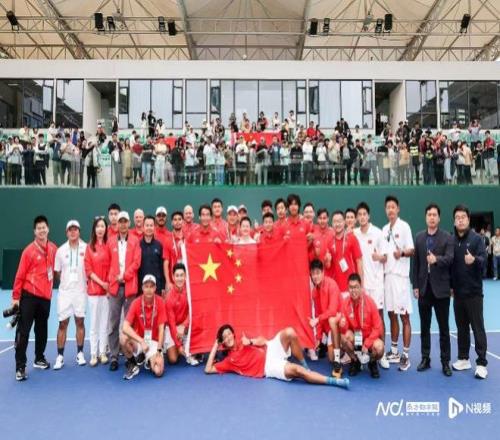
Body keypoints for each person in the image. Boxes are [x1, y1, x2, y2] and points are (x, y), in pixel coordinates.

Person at [205, 325, 349, 388]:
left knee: (290, 332)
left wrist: (250, 341)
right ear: (223, 342)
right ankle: (334, 381)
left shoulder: (243, 339)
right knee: (297, 371)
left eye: (229, 334)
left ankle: (306, 367)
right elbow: (208, 369)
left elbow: (262, 340)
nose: (228, 337)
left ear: (233, 334)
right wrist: (215, 345)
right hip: (268, 367)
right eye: (225, 337)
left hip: (271, 347)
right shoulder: (229, 361)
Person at [12, 215, 57, 381]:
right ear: (35, 231)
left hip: (45, 298)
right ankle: (20, 366)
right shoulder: (28, 251)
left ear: (48, 229)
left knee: (42, 330)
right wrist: (16, 297)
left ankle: (39, 358)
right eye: (39, 228)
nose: (42, 230)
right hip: (29, 297)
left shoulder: (53, 248)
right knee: (23, 332)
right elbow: (20, 275)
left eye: (44, 227)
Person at [412, 204, 454, 376]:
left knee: (444, 328)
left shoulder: (447, 237)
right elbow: (416, 264)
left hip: (441, 290)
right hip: (424, 289)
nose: (431, 217)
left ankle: (445, 362)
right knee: (424, 327)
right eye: (429, 214)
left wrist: (436, 259)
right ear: (425, 217)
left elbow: (450, 259)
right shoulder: (419, 237)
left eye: (434, 215)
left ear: (439, 218)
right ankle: (425, 358)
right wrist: (415, 285)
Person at [451, 205, 488, 379]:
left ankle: (481, 363)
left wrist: (474, 260)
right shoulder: (452, 240)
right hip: (458, 294)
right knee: (462, 328)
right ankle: (464, 358)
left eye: (463, 217)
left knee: (477, 328)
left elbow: (484, 260)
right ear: (454, 221)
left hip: (474, 293)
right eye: (457, 217)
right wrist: (450, 286)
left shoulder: (477, 239)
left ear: (468, 219)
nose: (460, 220)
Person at [354, 202, 389, 369]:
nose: (362, 217)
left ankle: (381, 353)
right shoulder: (354, 234)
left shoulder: (378, 233)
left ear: (368, 216)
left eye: (364, 214)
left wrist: (379, 257)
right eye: (359, 214)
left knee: (379, 318)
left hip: (376, 285)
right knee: (358, 320)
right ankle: (360, 354)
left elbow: (386, 257)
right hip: (360, 286)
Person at [382, 195, 414, 371]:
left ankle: (406, 355)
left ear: (398, 209)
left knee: (404, 316)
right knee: (392, 315)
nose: (390, 210)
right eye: (388, 207)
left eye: (393, 207)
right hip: (388, 278)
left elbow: (412, 250)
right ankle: (394, 351)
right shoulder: (384, 229)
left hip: (400, 279)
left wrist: (401, 253)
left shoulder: (405, 226)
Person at [107, 211, 142, 371]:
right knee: (113, 323)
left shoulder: (135, 241)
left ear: (129, 223)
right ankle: (114, 356)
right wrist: (112, 279)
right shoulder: (110, 241)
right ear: (118, 223)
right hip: (115, 288)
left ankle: (129, 356)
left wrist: (125, 276)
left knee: (129, 324)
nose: (122, 224)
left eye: (125, 221)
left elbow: (136, 263)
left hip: (129, 288)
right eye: (120, 221)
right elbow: (108, 263)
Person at [52, 220, 88, 370]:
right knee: (63, 323)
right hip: (65, 293)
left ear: (79, 231)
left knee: (80, 322)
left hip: (80, 292)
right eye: (70, 230)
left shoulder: (87, 248)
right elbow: (57, 272)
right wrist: (67, 283)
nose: (73, 232)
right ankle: (60, 356)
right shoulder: (60, 251)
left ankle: (80, 353)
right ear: (66, 232)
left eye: (75, 229)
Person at [120, 275, 166, 380]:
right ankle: (133, 364)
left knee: (158, 371)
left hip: (154, 342)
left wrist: (159, 350)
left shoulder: (160, 302)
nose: (149, 289)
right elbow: (125, 327)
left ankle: (148, 358)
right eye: (146, 286)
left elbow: (161, 329)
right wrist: (141, 341)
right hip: (140, 341)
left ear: (155, 288)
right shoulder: (136, 302)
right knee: (123, 338)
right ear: (142, 288)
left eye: (151, 286)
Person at [340, 273, 385, 379]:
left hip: (369, 337)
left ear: (361, 287)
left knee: (379, 348)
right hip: (357, 337)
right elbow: (345, 329)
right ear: (348, 288)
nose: (353, 290)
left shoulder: (370, 302)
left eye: (356, 287)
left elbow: (378, 327)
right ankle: (355, 361)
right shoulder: (345, 303)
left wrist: (367, 343)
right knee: (343, 337)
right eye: (351, 287)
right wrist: (342, 325)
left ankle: (372, 363)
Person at [84, 216, 111, 367]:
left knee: (104, 324)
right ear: (94, 229)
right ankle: (93, 354)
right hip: (94, 293)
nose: (100, 229)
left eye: (103, 226)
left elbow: (112, 267)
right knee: (94, 323)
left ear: (106, 229)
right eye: (98, 226)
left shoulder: (109, 246)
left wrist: (108, 286)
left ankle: (102, 352)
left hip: (106, 293)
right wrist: (102, 283)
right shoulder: (89, 247)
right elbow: (88, 271)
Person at [309, 259, 343, 378]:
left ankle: (339, 359)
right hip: (329, 328)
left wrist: (318, 320)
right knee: (330, 358)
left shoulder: (331, 284)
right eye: (313, 274)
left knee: (332, 320)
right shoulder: (314, 292)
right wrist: (318, 338)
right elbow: (319, 315)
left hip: (341, 323)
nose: (315, 276)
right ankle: (337, 352)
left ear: (323, 272)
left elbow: (333, 311)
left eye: (318, 273)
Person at [164, 263, 199, 366]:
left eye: (182, 275)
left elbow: (192, 312)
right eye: (177, 276)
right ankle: (177, 345)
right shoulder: (169, 298)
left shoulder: (190, 292)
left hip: (185, 327)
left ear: (185, 276)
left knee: (198, 320)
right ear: (173, 277)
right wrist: (179, 346)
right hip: (173, 328)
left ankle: (188, 344)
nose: (179, 278)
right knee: (173, 359)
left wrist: (184, 325)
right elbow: (171, 323)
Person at [325, 211, 363, 295]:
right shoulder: (329, 241)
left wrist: (361, 285)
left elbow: (359, 261)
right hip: (335, 288)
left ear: (344, 222)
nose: (337, 224)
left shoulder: (352, 238)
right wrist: (327, 260)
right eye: (335, 221)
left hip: (351, 286)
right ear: (332, 224)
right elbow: (328, 266)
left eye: (339, 221)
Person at [139, 215, 166, 296]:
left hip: (156, 286)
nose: (149, 228)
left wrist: (163, 286)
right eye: (147, 225)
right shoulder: (137, 245)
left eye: (151, 225)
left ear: (154, 227)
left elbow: (161, 267)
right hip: (141, 287)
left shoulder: (159, 245)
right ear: (143, 227)